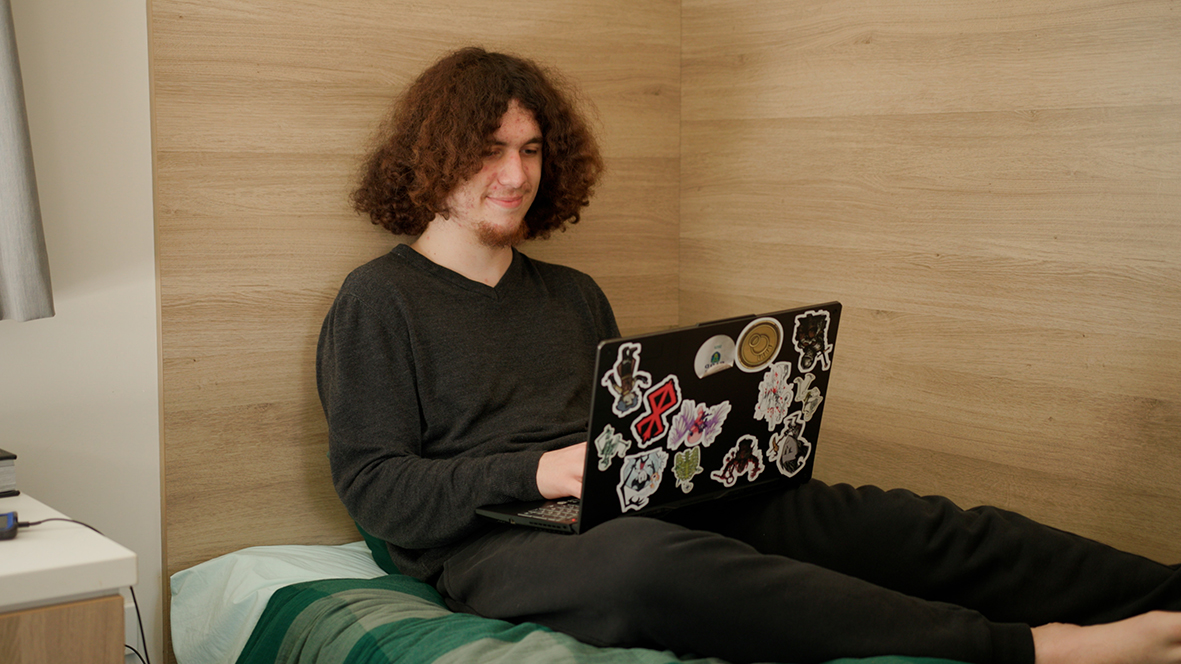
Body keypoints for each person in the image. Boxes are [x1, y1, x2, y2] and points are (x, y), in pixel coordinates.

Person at [317, 46, 1181, 664]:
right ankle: (1029, 648)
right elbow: (376, 489)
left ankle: (1163, 592)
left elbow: (624, 432)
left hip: (633, 503)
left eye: (531, 149)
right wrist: (537, 474)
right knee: (645, 568)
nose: (516, 173)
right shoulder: (378, 300)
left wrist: (720, 444)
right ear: (434, 156)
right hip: (491, 545)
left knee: (874, 516)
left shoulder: (573, 293)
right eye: (490, 149)